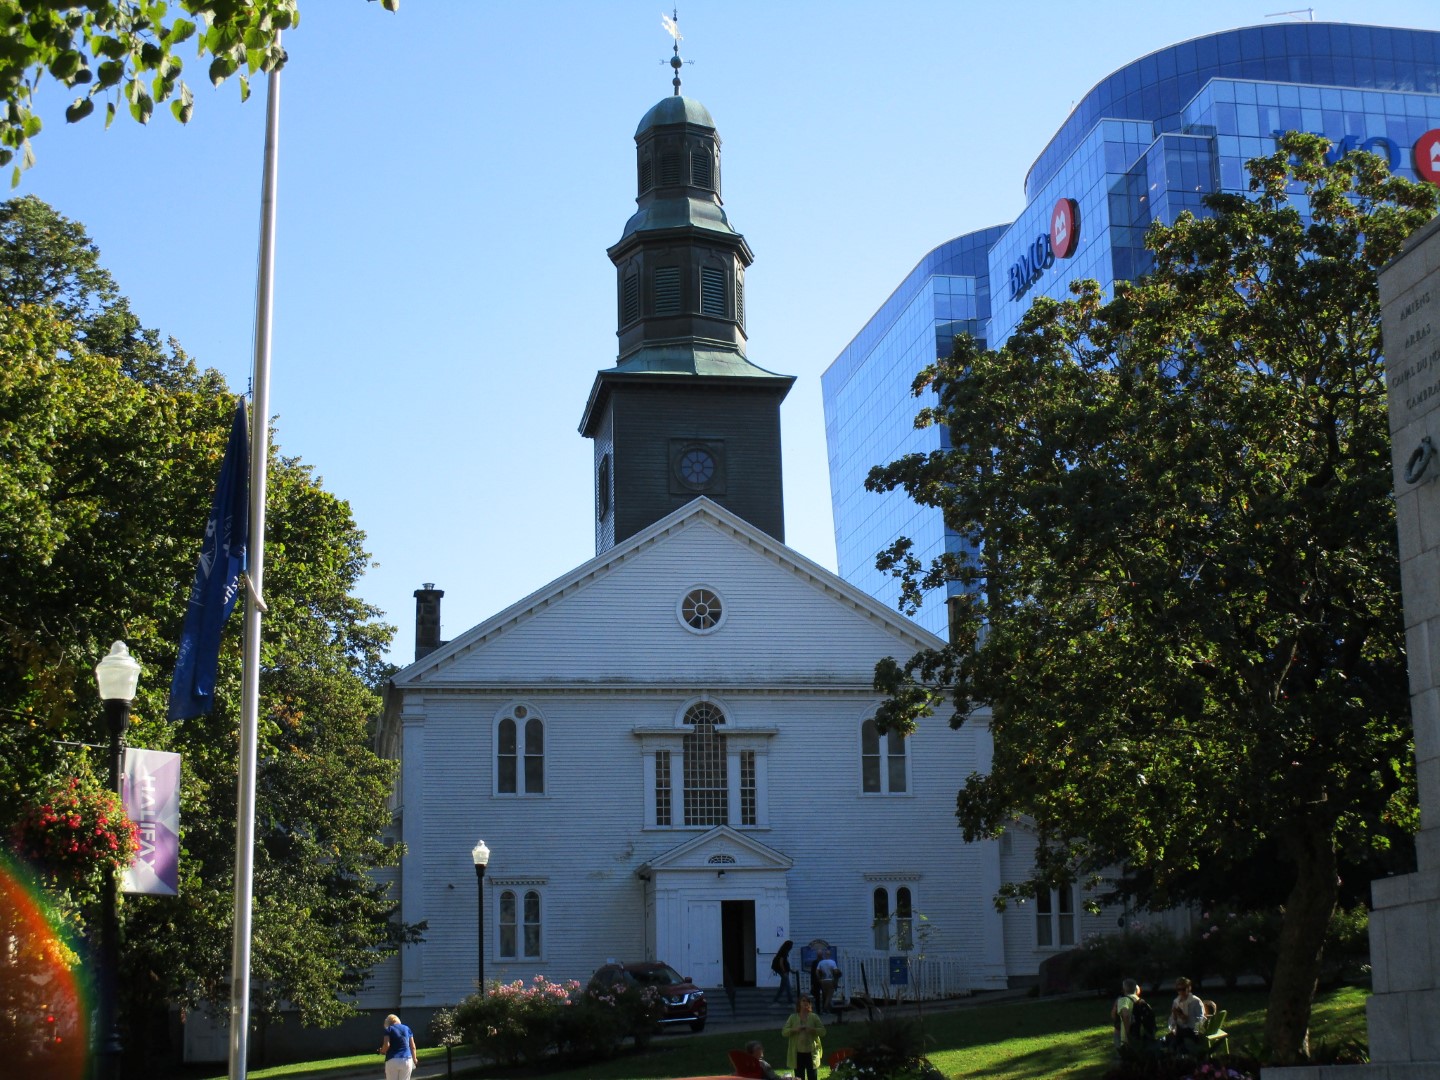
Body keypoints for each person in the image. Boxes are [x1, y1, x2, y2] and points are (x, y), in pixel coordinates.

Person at [781, 993, 826, 1080]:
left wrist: (812, 1030)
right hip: (798, 1053)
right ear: (799, 1003)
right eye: (803, 1000)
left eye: (807, 1001)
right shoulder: (793, 1017)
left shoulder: (814, 1017)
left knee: (812, 1076)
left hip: (811, 1052)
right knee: (799, 1077)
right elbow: (784, 1032)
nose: (806, 1003)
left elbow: (823, 1032)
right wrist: (794, 1029)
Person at [377, 1013, 417, 1080]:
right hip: (407, 1059)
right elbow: (413, 1046)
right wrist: (414, 1058)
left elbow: (387, 1045)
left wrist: (382, 1051)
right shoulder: (407, 1028)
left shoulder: (389, 1029)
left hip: (392, 1059)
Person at [1167, 977, 1204, 1049]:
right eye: (1179, 990)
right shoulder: (1176, 1001)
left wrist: (1197, 1031)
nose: (1181, 992)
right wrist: (1175, 1017)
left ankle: (1180, 1050)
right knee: (1171, 1037)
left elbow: (1201, 1018)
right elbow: (1172, 1019)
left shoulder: (1195, 1001)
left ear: (1189, 988)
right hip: (1180, 1029)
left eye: (1183, 989)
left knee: (1177, 1037)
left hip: (1192, 1030)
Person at [1110, 977, 1139, 1051]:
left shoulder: (1122, 1000)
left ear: (1123, 989)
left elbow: (1123, 1015)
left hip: (1124, 1033)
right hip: (1138, 1031)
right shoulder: (1139, 999)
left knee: (1123, 1054)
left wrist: (1127, 1033)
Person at [815, 949, 841, 1014]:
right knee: (829, 996)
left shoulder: (821, 962)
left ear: (825, 955)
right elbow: (836, 972)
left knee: (826, 996)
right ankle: (824, 1009)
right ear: (830, 955)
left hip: (823, 981)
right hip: (830, 981)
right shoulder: (833, 962)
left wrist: (819, 979)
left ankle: (828, 1010)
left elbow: (817, 972)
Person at [770, 939, 794, 1003]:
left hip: (784, 970)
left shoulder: (783, 951)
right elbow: (781, 963)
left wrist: (790, 970)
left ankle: (775, 1000)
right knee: (788, 986)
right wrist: (784, 972)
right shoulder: (784, 952)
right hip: (783, 971)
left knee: (782, 987)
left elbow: (786, 962)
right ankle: (790, 1001)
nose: (792, 947)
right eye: (791, 945)